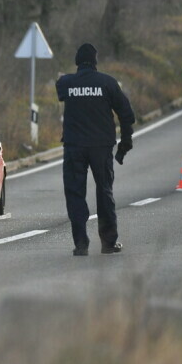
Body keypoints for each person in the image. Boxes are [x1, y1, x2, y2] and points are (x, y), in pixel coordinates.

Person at [56, 43, 135, 256]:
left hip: (74, 147)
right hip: (101, 147)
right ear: (95, 61)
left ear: (77, 62)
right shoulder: (108, 83)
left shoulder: (66, 83)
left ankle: (81, 244)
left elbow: (60, 89)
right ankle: (108, 243)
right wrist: (125, 142)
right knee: (104, 192)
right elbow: (127, 114)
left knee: (75, 194)